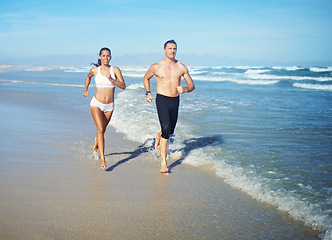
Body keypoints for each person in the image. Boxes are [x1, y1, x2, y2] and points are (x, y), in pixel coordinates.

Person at [143, 40, 195, 173]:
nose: (172, 51)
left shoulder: (181, 67)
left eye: (174, 49)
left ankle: (158, 135)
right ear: (164, 50)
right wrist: (148, 92)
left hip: (175, 101)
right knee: (166, 130)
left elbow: (191, 86)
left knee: (169, 131)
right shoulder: (156, 66)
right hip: (162, 100)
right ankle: (163, 163)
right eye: (170, 48)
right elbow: (146, 78)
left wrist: (184, 89)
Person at [83, 47, 126, 169]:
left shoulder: (115, 70)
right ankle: (102, 158)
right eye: (103, 56)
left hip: (110, 106)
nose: (106, 58)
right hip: (96, 103)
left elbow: (123, 85)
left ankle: (96, 143)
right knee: (101, 129)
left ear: (110, 57)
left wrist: (112, 80)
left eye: (108, 56)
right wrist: (85, 90)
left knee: (102, 130)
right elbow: (88, 77)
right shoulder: (95, 70)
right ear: (99, 57)